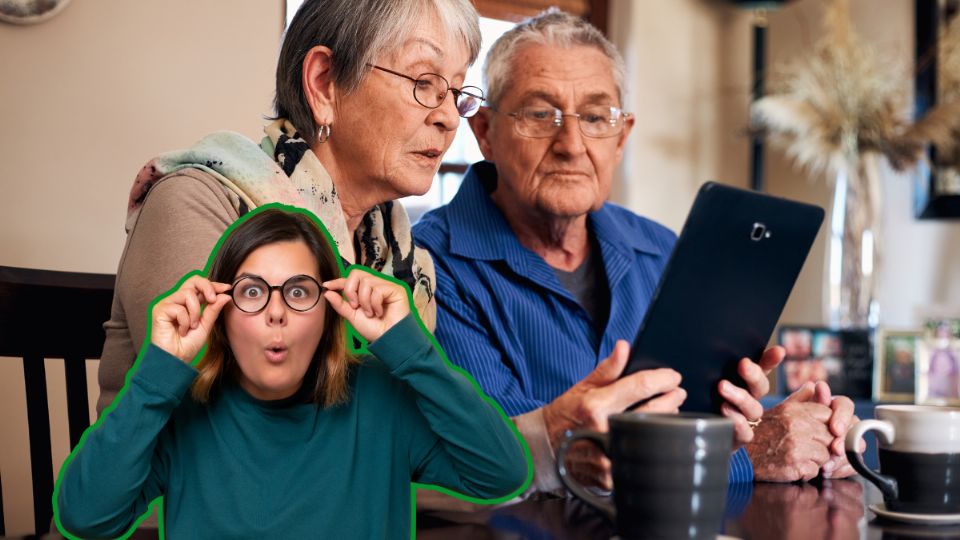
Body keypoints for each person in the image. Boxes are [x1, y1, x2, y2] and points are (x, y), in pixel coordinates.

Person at [413, 9, 860, 491]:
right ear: (484, 134)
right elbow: (507, 463)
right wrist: (746, 454)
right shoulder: (430, 266)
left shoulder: (660, 249)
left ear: (621, 136)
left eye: (596, 117)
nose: (571, 144)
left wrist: (800, 429)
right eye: (541, 114)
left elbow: (699, 412)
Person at [97, 0, 484, 415]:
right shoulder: (199, 202)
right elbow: (227, 431)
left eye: (457, 92)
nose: (449, 117)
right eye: (425, 82)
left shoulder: (409, 262)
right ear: (324, 84)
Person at [56, 207, 528, 538]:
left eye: (299, 292)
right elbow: (85, 517)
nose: (276, 312)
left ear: (329, 313)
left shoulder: (383, 400)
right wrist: (157, 373)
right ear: (221, 312)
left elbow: (502, 473)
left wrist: (410, 349)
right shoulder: (180, 411)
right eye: (253, 292)